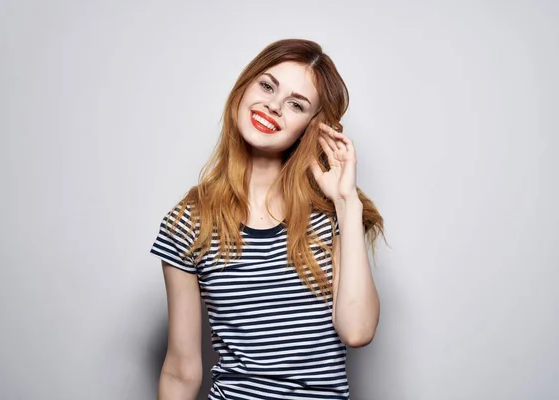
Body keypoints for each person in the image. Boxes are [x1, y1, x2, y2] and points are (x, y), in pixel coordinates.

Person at [150, 38, 385, 400]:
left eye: (296, 104)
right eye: (266, 85)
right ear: (244, 87)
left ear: (312, 126)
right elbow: (181, 370)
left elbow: (357, 331)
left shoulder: (331, 214)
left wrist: (345, 201)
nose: (273, 106)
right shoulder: (189, 221)